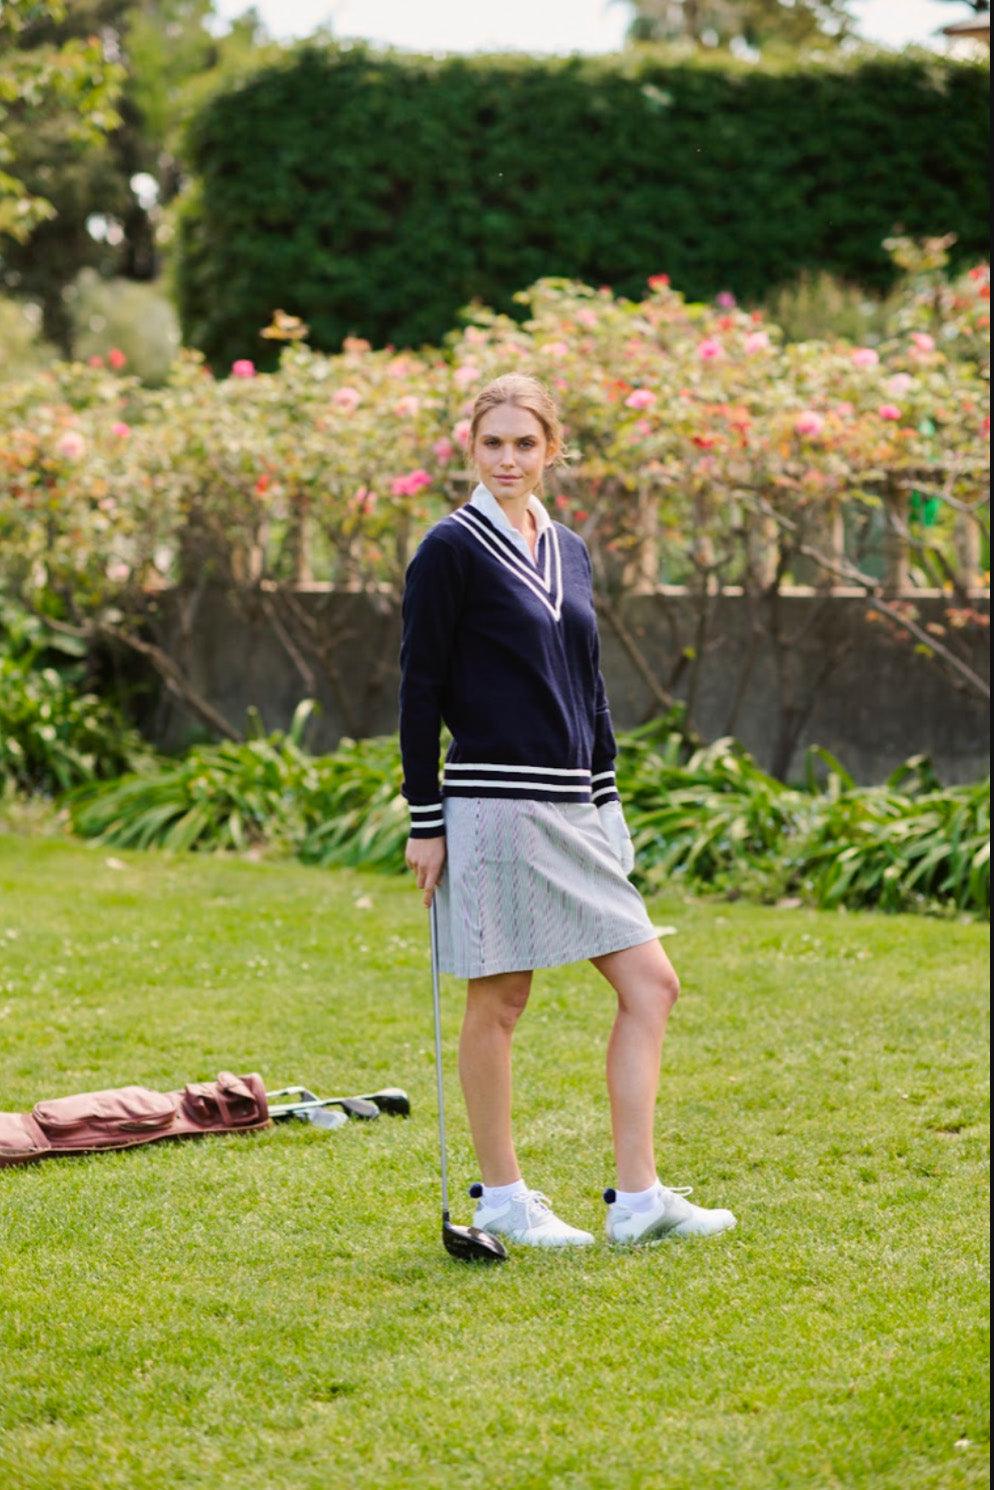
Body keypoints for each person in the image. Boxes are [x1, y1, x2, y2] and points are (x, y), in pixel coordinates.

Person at [399, 373, 735, 1248]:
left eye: (525, 443)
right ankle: (503, 1199)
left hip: (571, 807)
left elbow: (589, 685)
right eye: (492, 443)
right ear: (471, 447)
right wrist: (425, 818)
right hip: (492, 805)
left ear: (553, 449)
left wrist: (606, 795)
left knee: (651, 984)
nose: (508, 459)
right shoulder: (449, 548)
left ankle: (639, 1200)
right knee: (502, 998)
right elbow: (418, 688)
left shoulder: (571, 549)